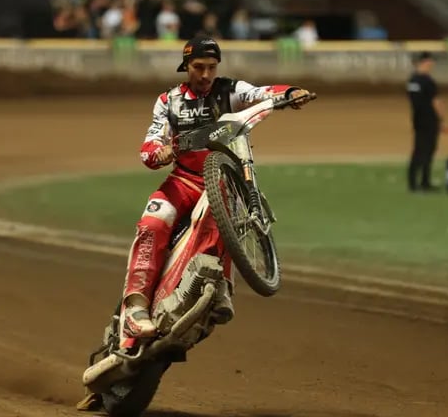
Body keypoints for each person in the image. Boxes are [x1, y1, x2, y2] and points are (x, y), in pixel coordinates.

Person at [120, 35, 312, 340]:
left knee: (220, 225)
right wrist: (160, 152)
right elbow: (149, 147)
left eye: (212, 67)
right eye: (199, 67)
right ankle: (135, 308)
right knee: (152, 224)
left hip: (222, 182)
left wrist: (289, 92)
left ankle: (217, 289)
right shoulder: (169, 101)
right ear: (186, 66)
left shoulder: (230, 90)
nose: (206, 74)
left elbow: (261, 93)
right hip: (182, 180)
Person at [406, 51, 444, 192]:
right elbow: (436, 101)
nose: (432, 64)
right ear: (425, 62)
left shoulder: (412, 80)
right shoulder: (428, 81)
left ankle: (417, 182)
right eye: (430, 62)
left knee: (421, 150)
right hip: (429, 120)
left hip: (418, 119)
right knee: (426, 151)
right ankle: (422, 182)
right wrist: (441, 118)